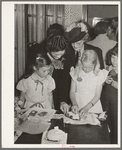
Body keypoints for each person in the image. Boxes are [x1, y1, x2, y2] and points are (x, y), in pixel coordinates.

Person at [69, 50, 108, 116]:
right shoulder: (76, 72)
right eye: (84, 67)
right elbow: (72, 92)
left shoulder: (99, 74)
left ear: (95, 64)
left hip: (93, 106)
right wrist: (74, 103)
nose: (86, 70)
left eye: (90, 67)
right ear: (80, 63)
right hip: (78, 104)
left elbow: (97, 95)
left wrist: (87, 108)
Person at [46, 34, 74, 114]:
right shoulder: (41, 58)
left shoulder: (67, 60)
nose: (58, 56)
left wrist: (63, 100)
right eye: (55, 54)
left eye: (61, 54)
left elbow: (65, 82)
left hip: (58, 95)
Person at [101, 44, 118, 144]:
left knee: (116, 125)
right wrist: (104, 80)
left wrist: (112, 82)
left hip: (116, 104)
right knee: (107, 125)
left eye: (118, 58)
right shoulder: (108, 69)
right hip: (106, 102)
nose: (114, 61)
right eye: (113, 57)